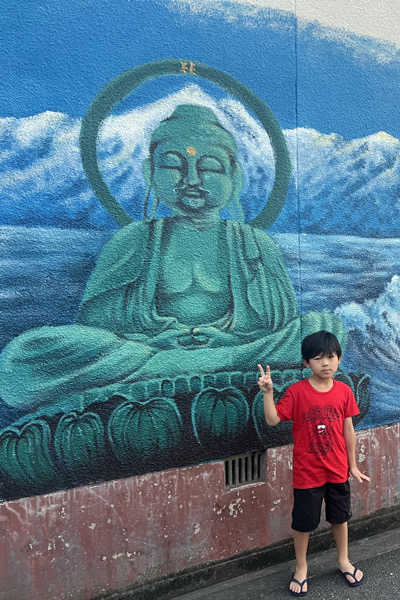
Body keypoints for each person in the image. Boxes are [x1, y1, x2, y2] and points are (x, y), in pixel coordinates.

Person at [0, 104, 344, 412]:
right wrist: (154, 338)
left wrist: (231, 339)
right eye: (173, 165)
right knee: (24, 356)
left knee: (321, 328)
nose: (191, 179)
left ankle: (184, 366)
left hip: (228, 349)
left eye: (208, 167)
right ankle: (196, 365)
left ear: (234, 177)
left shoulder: (254, 244)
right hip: (151, 351)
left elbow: (280, 326)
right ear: (151, 172)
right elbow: (95, 325)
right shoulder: (135, 239)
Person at [258, 330, 370, 597]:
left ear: (339, 359)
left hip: (337, 471)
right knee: (303, 524)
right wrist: (268, 392)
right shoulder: (297, 392)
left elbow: (349, 431)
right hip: (307, 474)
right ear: (307, 363)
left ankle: (343, 561)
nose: (326, 363)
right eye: (318, 358)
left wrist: (352, 466)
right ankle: (301, 567)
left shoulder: (344, 392)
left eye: (331, 357)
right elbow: (273, 420)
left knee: (340, 519)